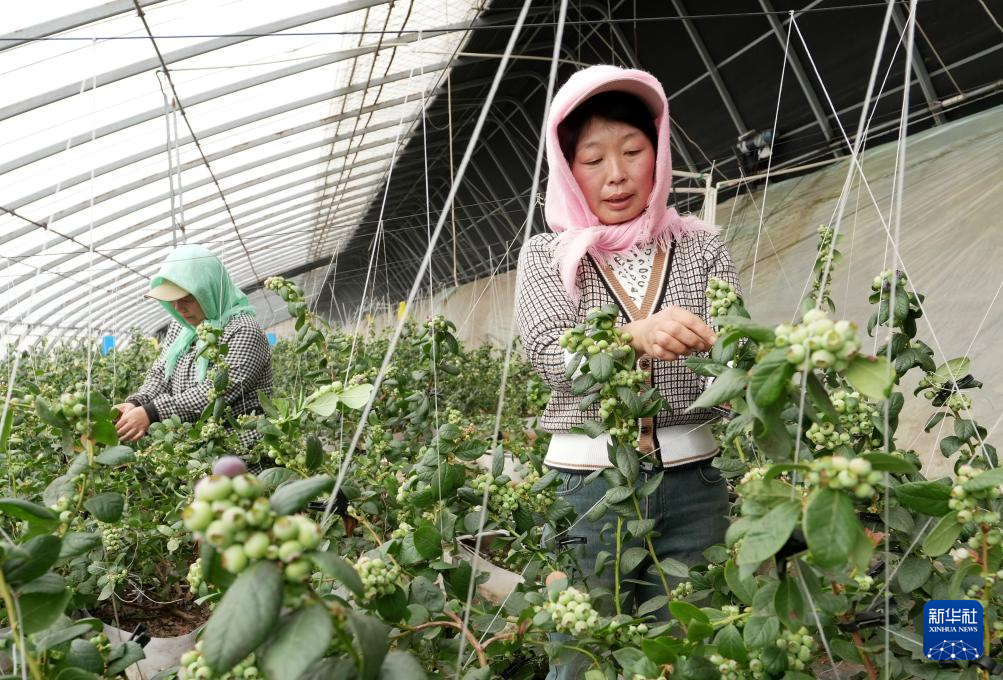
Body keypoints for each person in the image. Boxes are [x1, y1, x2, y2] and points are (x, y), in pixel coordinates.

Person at [515, 65, 741, 676]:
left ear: (658, 154)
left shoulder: (702, 247)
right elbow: (548, 353)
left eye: (633, 151)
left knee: (690, 643)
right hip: (586, 490)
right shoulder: (547, 256)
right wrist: (632, 336)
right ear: (568, 170)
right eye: (593, 160)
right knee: (585, 644)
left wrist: (726, 346)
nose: (616, 174)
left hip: (695, 481)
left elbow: (732, 351)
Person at [114, 244, 273, 450]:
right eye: (172, 301)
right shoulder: (182, 328)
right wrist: (137, 403)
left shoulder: (244, 330)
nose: (179, 309)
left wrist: (152, 413)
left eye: (187, 299)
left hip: (242, 450)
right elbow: (161, 375)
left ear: (210, 292)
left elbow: (216, 392)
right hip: (196, 448)